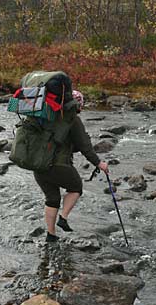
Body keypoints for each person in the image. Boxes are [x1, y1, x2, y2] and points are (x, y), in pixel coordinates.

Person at [33, 90, 109, 242]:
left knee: (52, 199)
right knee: (76, 187)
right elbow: (84, 146)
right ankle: (63, 217)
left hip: (38, 165)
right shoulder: (72, 120)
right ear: (77, 105)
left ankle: (51, 235)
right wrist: (99, 163)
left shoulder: (45, 116)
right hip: (58, 165)